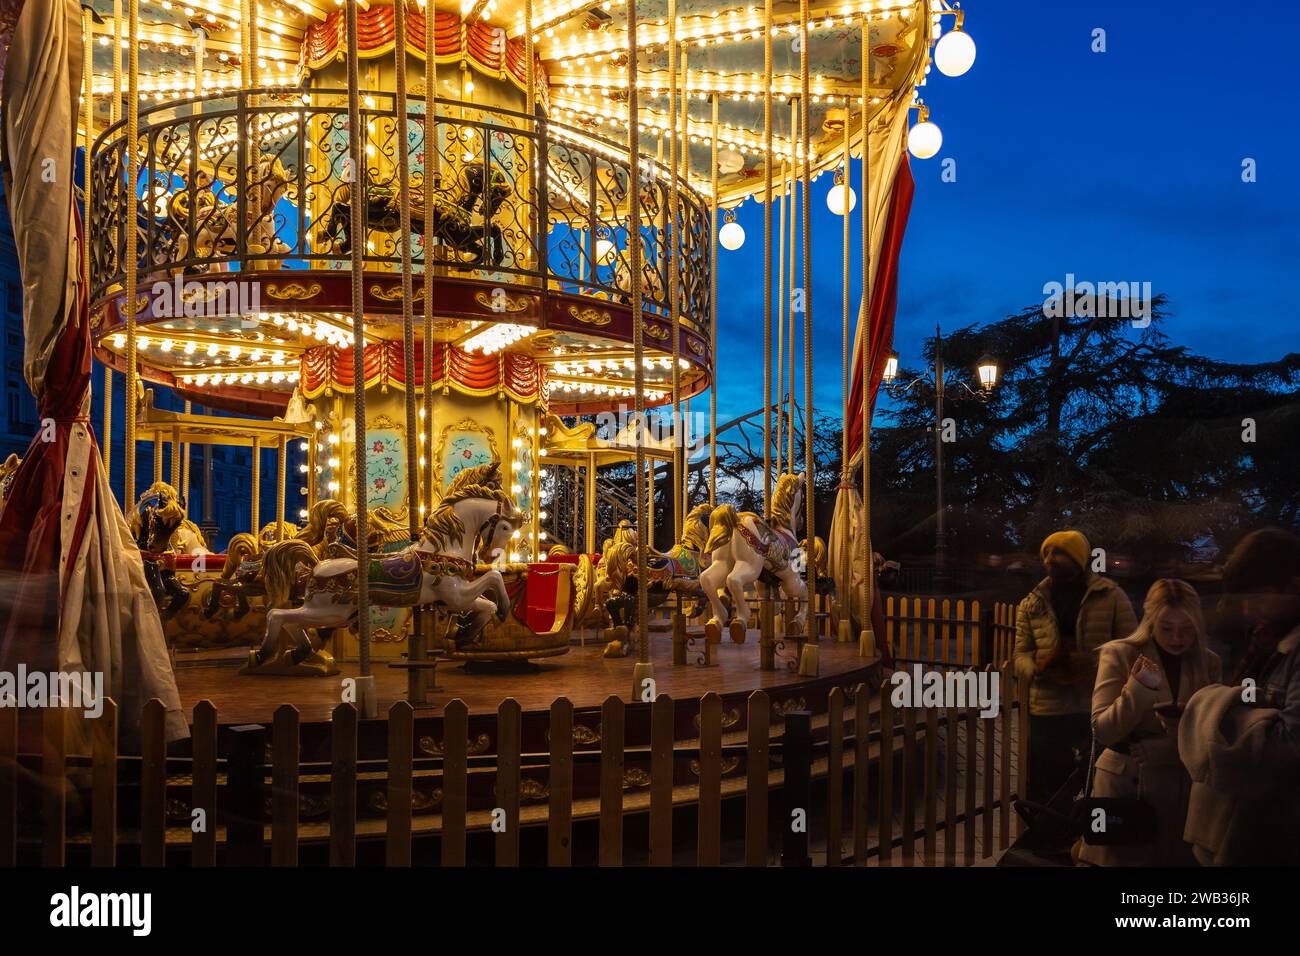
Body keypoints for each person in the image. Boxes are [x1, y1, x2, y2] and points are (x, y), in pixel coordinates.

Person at [1179, 527, 1300, 865]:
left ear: (1294, 586)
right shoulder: (1267, 638)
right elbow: (1254, 698)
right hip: (1253, 818)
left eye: (1259, 598)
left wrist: (1213, 713)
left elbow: (1290, 744)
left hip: (1283, 830)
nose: (1249, 609)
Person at [1078, 580, 1220, 866]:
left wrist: (1168, 747)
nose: (1177, 638)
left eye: (1187, 629)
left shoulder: (1208, 662)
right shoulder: (1119, 653)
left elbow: (1214, 730)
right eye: (1167, 628)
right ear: (1150, 621)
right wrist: (1139, 688)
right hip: (1126, 790)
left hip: (1181, 793)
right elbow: (1102, 730)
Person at [1014, 530, 1137, 804]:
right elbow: (1019, 655)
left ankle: (1089, 838)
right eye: (1047, 553)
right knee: (1048, 781)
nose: (1051, 559)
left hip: (1096, 705)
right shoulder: (1032, 603)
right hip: (1047, 707)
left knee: (1097, 777)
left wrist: (1096, 663)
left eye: (1059, 553)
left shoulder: (1111, 596)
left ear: (1078, 558)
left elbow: (1132, 646)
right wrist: (1036, 667)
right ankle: (1050, 836)